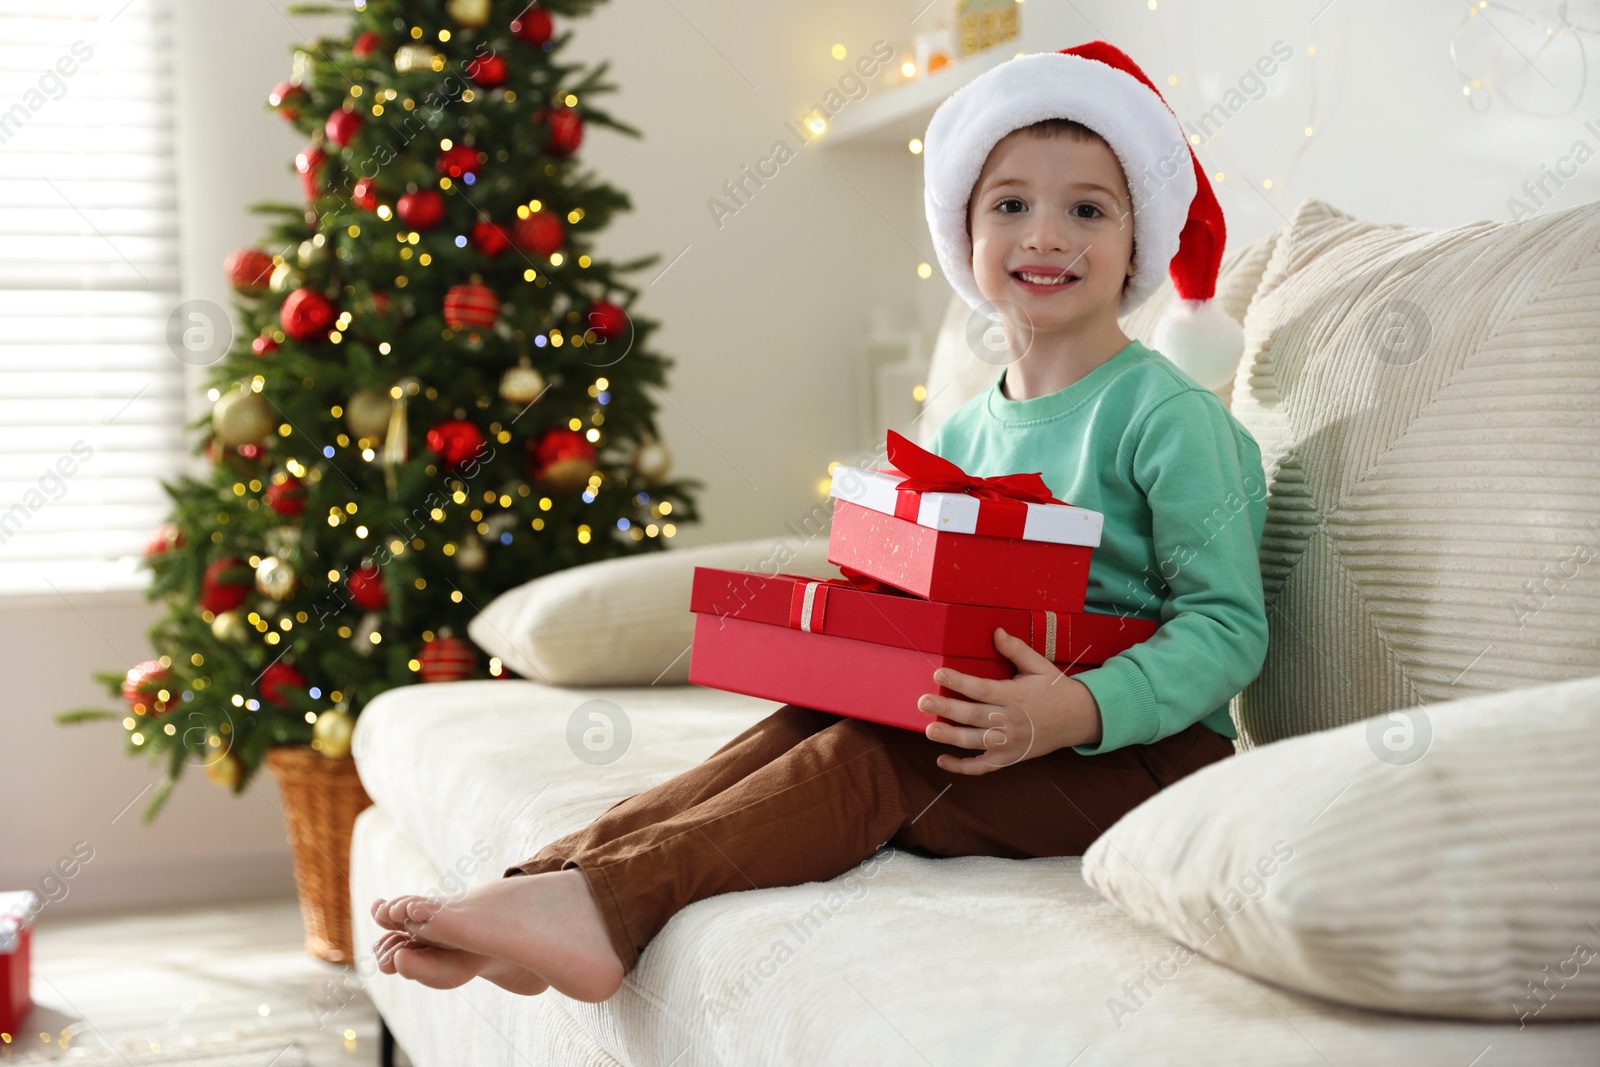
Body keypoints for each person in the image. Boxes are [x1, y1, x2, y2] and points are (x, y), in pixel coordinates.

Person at [367, 40, 1270, 1005]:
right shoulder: (965, 424)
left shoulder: (1167, 417)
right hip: (986, 711)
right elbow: (942, 595)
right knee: (808, 718)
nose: (1046, 234)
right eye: (1010, 204)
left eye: (1088, 209)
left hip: (1142, 759)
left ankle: (603, 908)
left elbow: (1226, 629)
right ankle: (553, 883)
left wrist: (1071, 710)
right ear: (963, 232)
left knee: (880, 757)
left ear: (1139, 242)